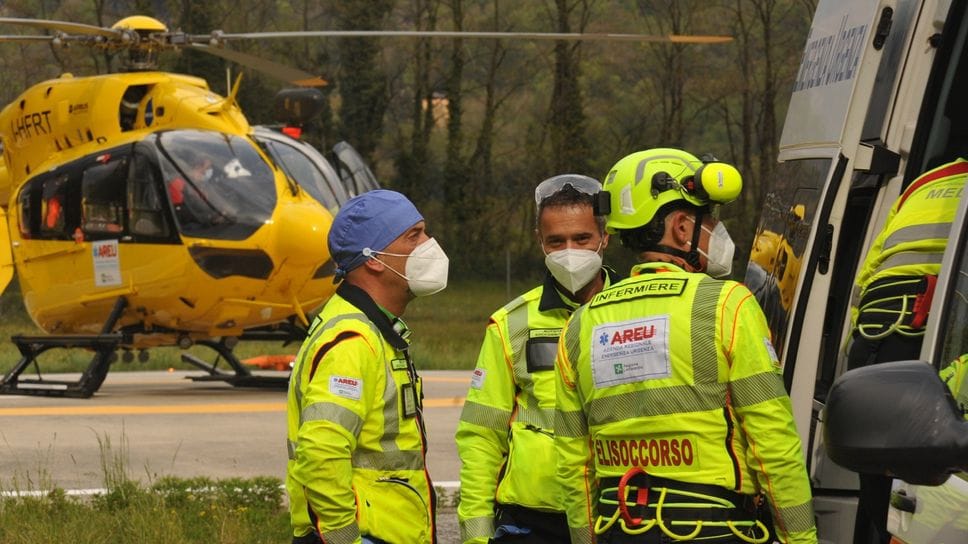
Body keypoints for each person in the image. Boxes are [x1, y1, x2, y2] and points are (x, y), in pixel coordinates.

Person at [554, 148, 818, 544]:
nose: (715, 229)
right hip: (713, 530)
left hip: (619, 528)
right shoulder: (728, 304)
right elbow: (773, 445)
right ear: (680, 227)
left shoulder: (581, 323)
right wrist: (801, 539)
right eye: (709, 218)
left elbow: (574, 465)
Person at [456, 175, 622, 543]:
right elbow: (481, 436)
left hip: (616, 512)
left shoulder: (634, 315)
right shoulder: (510, 323)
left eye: (582, 239)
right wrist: (476, 535)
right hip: (531, 522)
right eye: (556, 241)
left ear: (604, 237)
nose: (570, 251)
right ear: (540, 242)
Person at [285, 189, 449, 544]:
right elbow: (320, 453)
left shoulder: (374, 330)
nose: (428, 244)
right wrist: (345, 539)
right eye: (414, 235)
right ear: (374, 258)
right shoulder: (352, 340)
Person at [846, 157, 968, 544]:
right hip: (929, 337)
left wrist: (857, 341)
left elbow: (866, 276)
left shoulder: (925, 182)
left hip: (872, 343)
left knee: (883, 494)